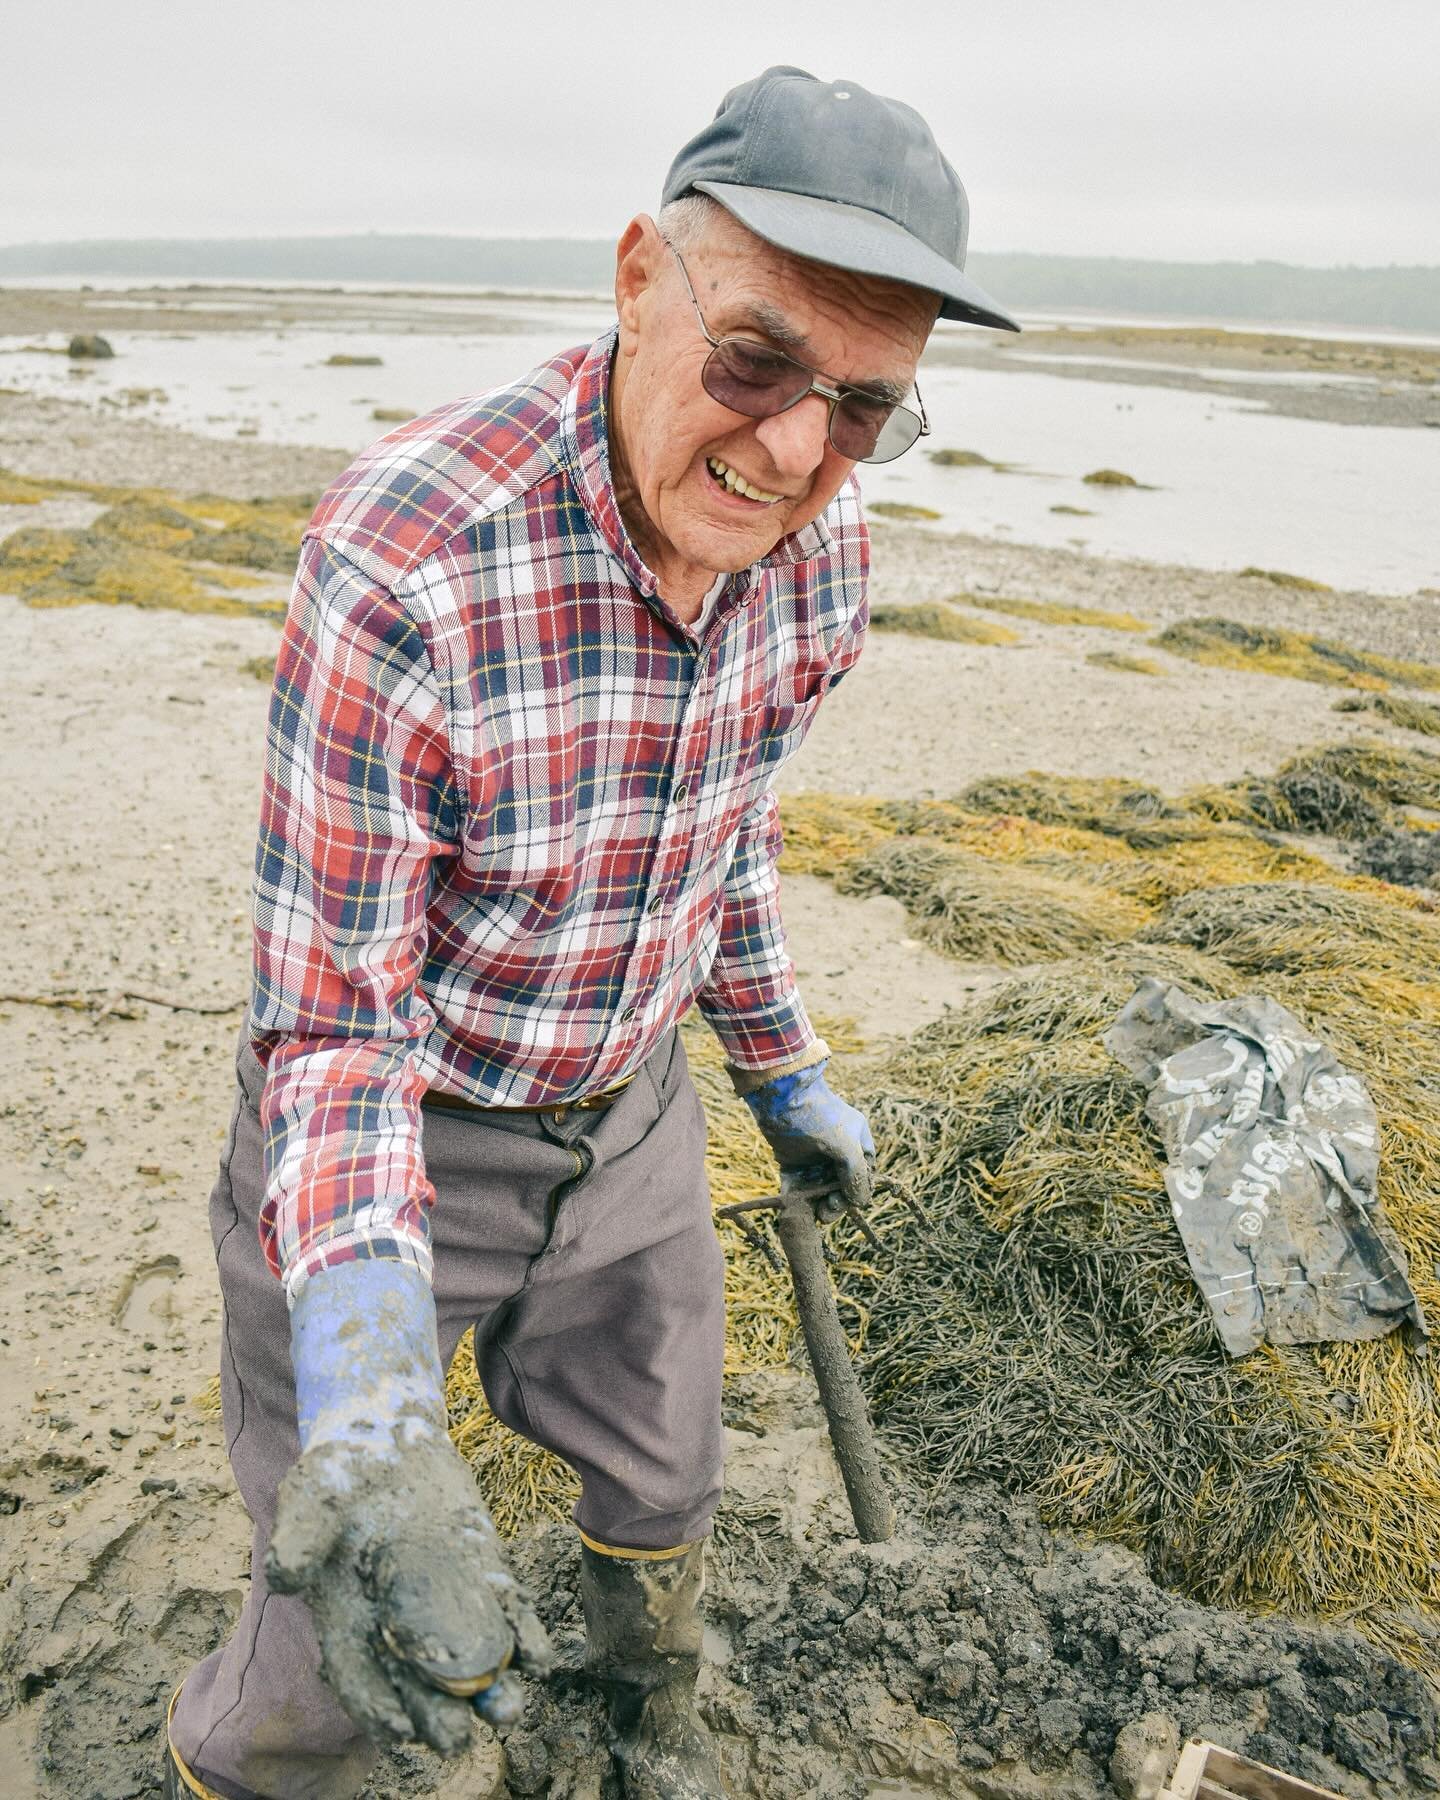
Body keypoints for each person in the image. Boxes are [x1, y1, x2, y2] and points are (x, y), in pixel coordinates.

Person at [163, 63, 1017, 1800]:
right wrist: (374, 1376)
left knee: (664, 1478)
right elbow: (333, 1029)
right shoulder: (409, 562)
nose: (793, 450)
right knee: (342, 1613)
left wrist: (783, 1072)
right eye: (758, 360)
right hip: (396, 1140)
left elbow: (726, 839)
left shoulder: (820, 560)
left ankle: (644, 1731)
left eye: (861, 408)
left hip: (630, 1119)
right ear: (639, 277)